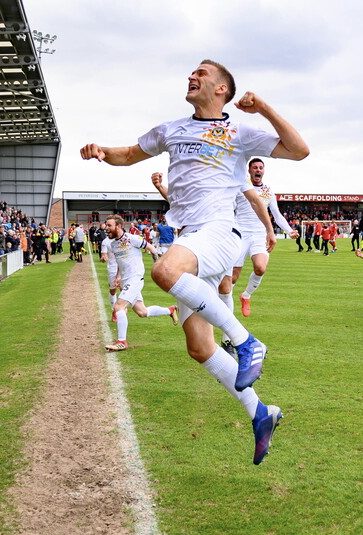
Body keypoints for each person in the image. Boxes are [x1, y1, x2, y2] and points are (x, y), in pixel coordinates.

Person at [80, 59, 309, 465]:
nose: (193, 75)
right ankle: (260, 413)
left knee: (165, 271)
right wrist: (100, 151)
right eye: (193, 72)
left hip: (220, 231)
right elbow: (129, 154)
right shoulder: (172, 129)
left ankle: (247, 342)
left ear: (222, 88)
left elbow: (299, 149)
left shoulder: (238, 130)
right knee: (200, 347)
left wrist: (266, 108)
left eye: (202, 73)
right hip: (193, 239)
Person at [102, 215, 179, 351]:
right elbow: (120, 262)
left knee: (119, 307)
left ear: (118, 226)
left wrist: (157, 266)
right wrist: (118, 276)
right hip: (125, 280)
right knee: (142, 312)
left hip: (135, 278)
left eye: (109, 225)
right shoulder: (113, 244)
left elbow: (152, 248)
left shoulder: (132, 238)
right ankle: (170, 310)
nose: (106, 228)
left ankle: (122, 342)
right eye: (106, 225)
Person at [236, 158, 298, 316]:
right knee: (233, 277)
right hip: (240, 233)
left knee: (261, 268)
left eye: (260, 168)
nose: (258, 170)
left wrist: (289, 230)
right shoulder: (240, 187)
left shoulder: (268, 191)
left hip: (259, 234)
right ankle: (224, 306)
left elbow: (276, 215)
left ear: (263, 171)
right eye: (255, 167)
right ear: (249, 170)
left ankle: (246, 296)